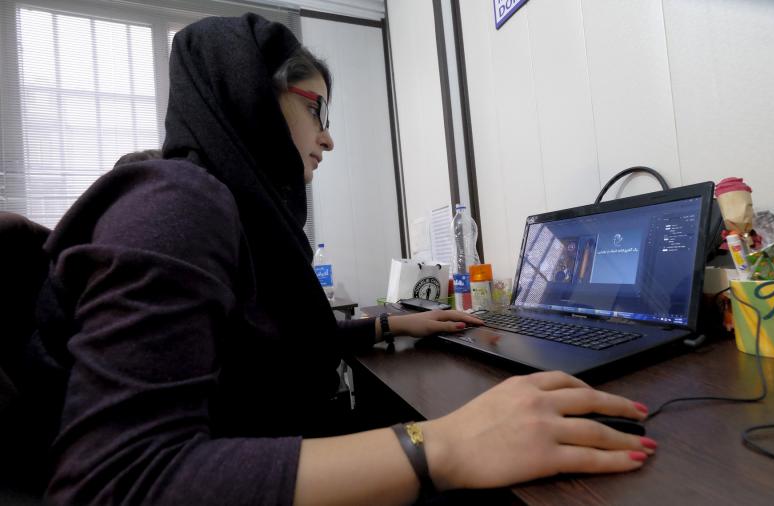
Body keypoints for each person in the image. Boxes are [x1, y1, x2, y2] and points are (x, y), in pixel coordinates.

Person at [30, 14, 655, 505]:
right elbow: (111, 482)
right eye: (314, 108)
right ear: (249, 94)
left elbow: (259, 340)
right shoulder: (176, 203)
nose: (327, 135)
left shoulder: (233, 213)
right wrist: (440, 446)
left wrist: (389, 323)